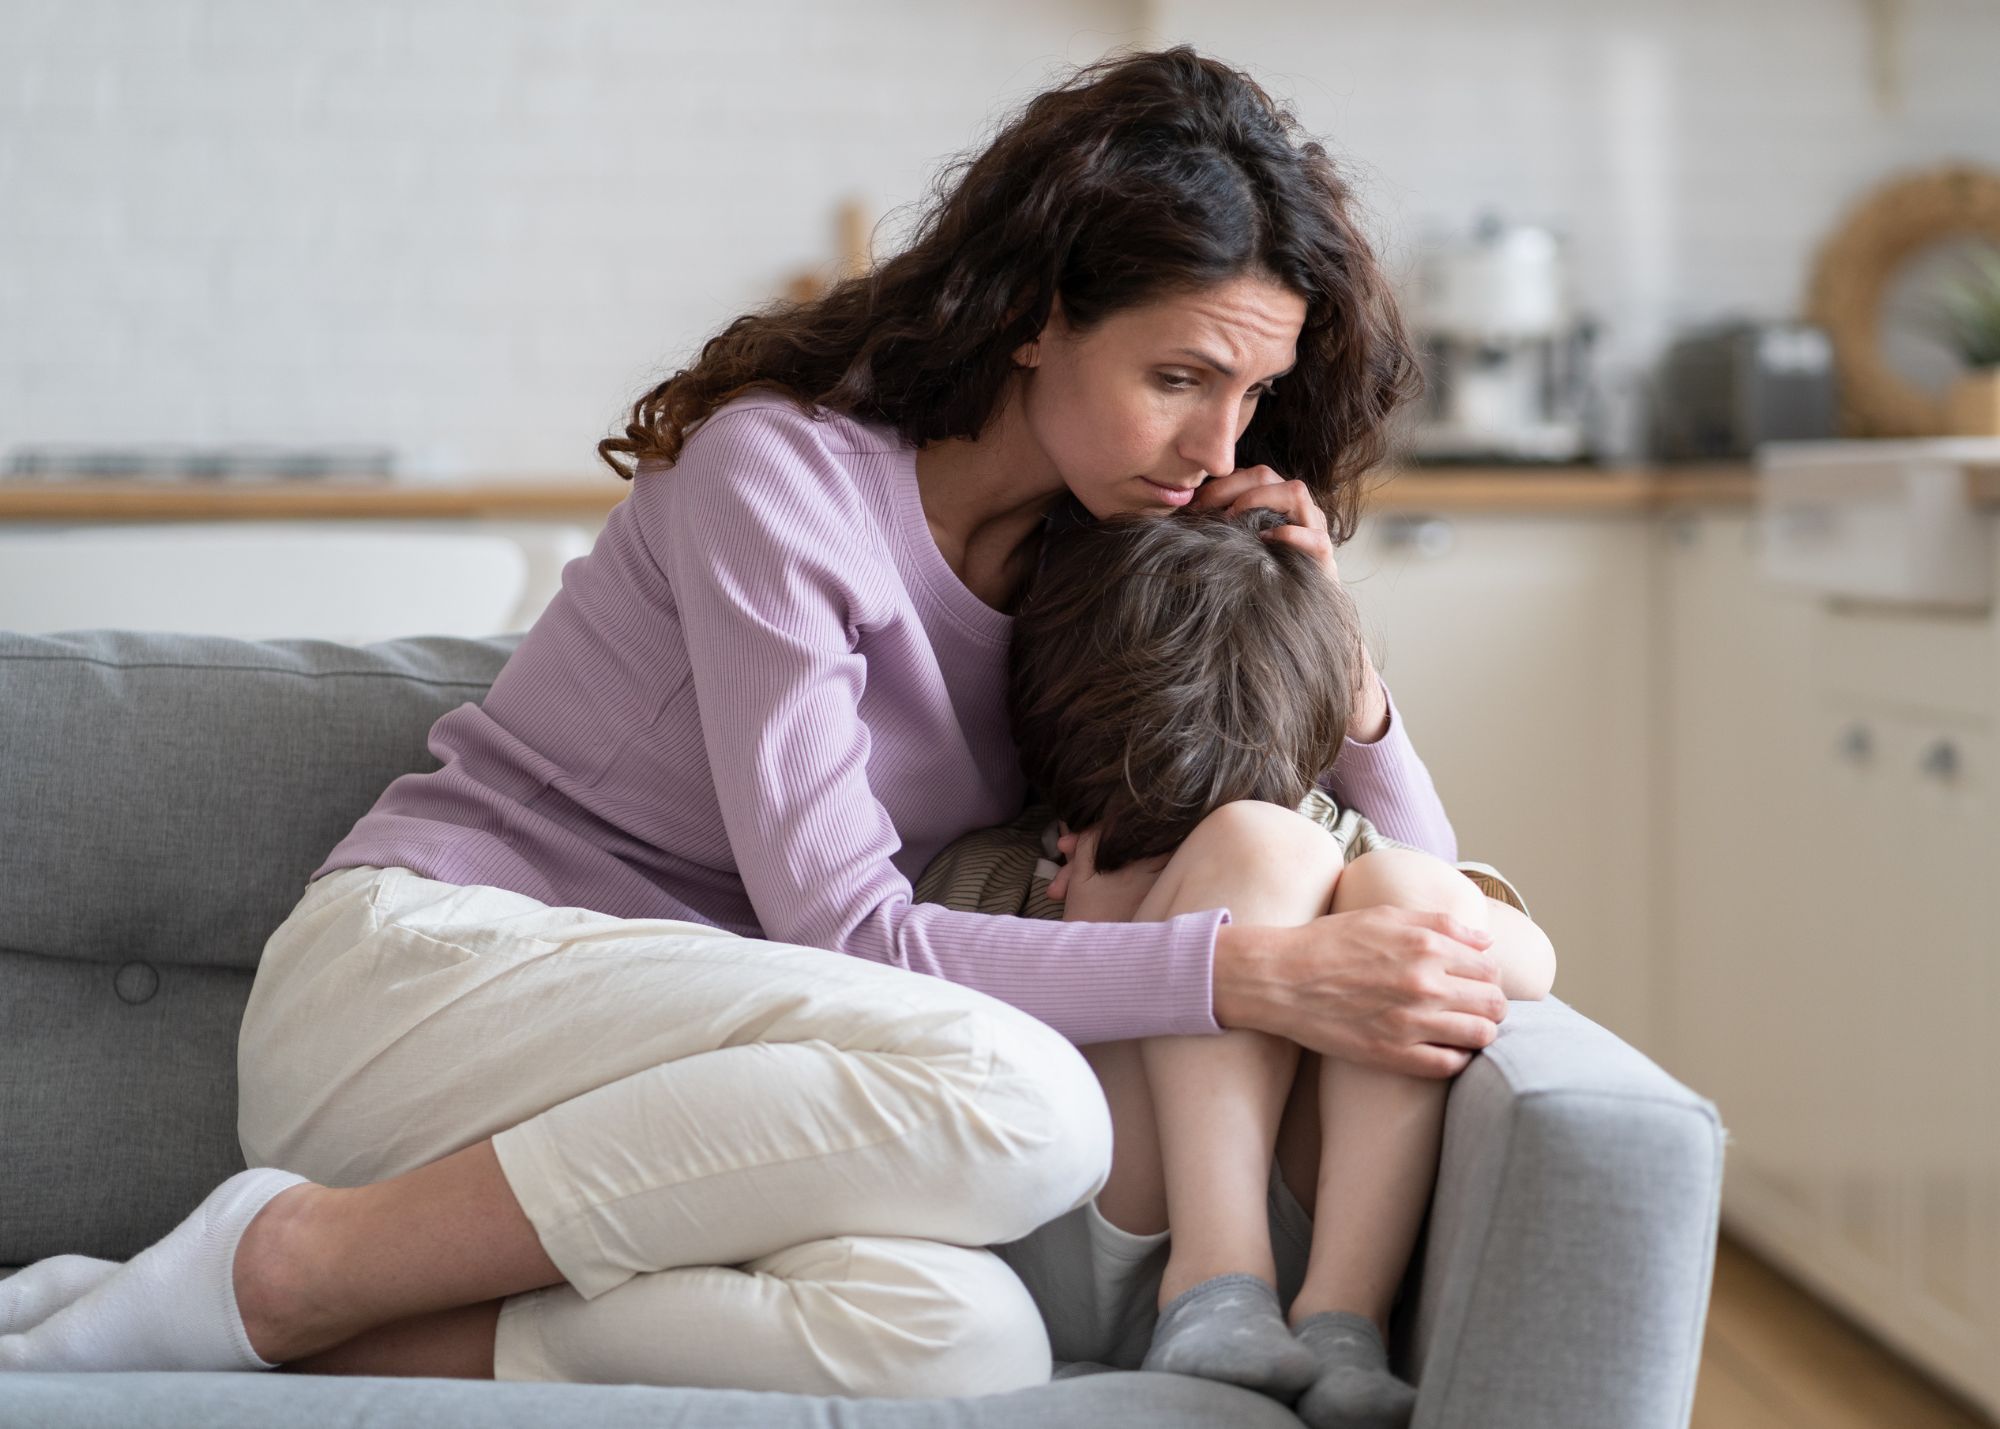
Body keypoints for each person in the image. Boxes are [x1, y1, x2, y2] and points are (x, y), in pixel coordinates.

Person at [0, 45, 1511, 1396]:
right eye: (1177, 377)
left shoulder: (1100, 559)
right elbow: (846, 938)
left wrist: (1349, 675)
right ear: (1039, 319)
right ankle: (293, 1262)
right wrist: (1256, 978)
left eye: (1250, 395)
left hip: (710, 1077)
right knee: (1026, 1100)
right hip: (434, 984)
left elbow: (1414, 898)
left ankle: (253, 1317)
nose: (1215, 446)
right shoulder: (777, 481)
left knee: (962, 1339)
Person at [912, 503, 1555, 1426]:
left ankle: (1346, 1323)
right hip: (1086, 1241)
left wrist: (1398, 900)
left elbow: (1523, 959)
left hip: (1296, 1267)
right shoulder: (1021, 866)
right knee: (1267, 848)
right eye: (1148, 844)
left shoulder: (1328, 838)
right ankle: (1216, 1280)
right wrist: (1106, 942)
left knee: (1394, 883)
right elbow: (907, 1017)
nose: (1173, 855)